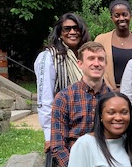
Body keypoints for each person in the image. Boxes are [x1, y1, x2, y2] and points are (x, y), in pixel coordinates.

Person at [34, 13, 90, 151]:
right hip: (63, 128)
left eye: (76, 28)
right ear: (59, 33)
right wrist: (49, 136)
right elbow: (45, 99)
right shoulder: (48, 57)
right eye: (67, 29)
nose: (72, 32)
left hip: (87, 127)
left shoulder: (87, 56)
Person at [94, 0, 132, 90]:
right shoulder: (101, 40)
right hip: (107, 94)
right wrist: (113, 91)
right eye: (117, 15)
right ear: (111, 18)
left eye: (125, 14)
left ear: (130, 16)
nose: (121, 18)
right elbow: (96, 67)